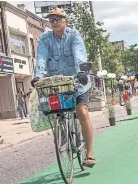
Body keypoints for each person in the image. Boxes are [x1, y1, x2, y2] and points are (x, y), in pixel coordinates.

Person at [31, 8, 96, 168]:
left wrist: (82, 71)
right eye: (51, 20)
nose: (54, 22)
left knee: (82, 111)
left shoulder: (74, 35)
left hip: (77, 82)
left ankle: (89, 154)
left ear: (65, 20)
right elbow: (40, 58)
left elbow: (79, 54)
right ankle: (63, 139)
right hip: (57, 84)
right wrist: (38, 75)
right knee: (55, 112)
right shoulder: (45, 39)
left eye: (57, 19)